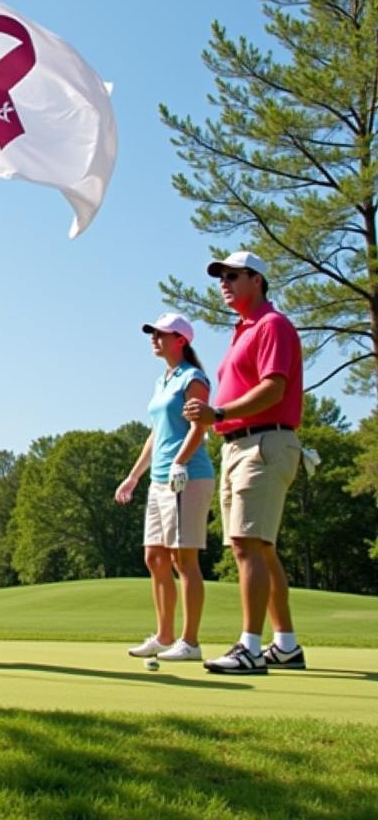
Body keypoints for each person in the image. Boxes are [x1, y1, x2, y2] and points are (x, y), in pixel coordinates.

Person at [183, 251, 306, 674]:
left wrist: (218, 413)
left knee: (248, 545)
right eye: (221, 276)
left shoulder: (272, 325)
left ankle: (250, 647)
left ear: (257, 280)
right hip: (240, 445)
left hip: (264, 442)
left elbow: (274, 389)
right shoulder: (243, 331)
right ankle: (285, 644)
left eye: (233, 275)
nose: (224, 283)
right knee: (259, 547)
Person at [115, 313, 215, 662]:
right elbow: (157, 433)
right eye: (153, 334)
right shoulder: (163, 381)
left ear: (181, 340)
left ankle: (190, 642)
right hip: (160, 480)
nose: (154, 339)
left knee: (182, 558)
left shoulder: (193, 378)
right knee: (154, 557)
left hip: (189, 476)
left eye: (162, 334)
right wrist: (134, 475)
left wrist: (180, 462)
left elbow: (198, 428)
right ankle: (164, 635)